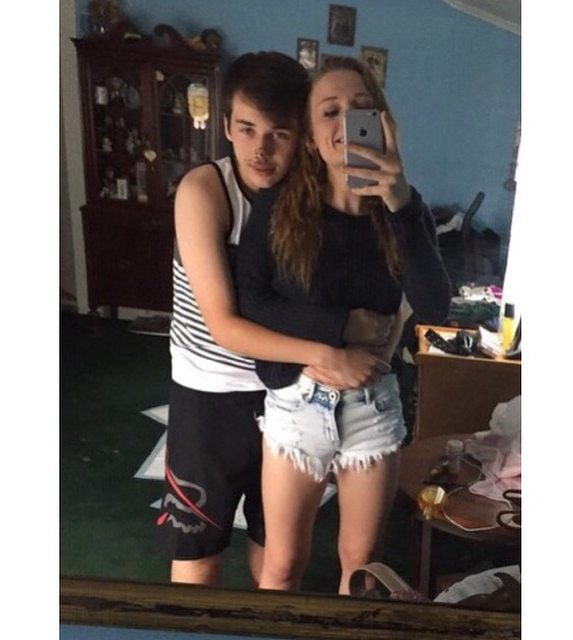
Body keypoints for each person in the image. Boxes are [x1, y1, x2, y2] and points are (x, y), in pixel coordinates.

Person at [155, 51, 392, 588]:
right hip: (212, 395)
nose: (261, 150)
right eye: (246, 129)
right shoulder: (205, 190)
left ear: (302, 135)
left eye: (279, 133)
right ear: (225, 127)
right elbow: (225, 325)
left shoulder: (311, 200)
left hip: (287, 394)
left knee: (276, 556)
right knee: (197, 554)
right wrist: (332, 345)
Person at [236, 56, 452, 594]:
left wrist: (400, 202)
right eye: (329, 111)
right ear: (311, 137)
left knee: (362, 568)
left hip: (371, 407)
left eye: (361, 108)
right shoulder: (279, 208)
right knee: (281, 564)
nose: (345, 122)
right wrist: (339, 331)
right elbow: (251, 302)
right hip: (296, 402)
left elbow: (435, 306)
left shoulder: (404, 210)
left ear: (383, 123)